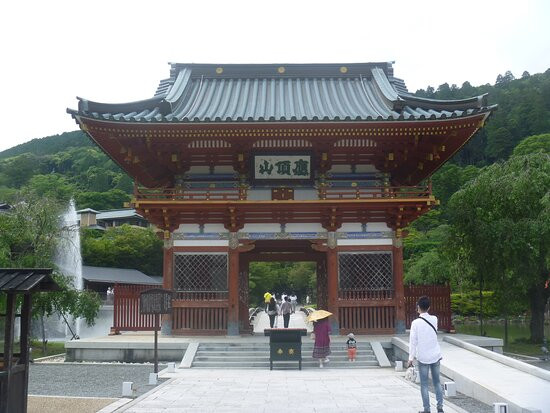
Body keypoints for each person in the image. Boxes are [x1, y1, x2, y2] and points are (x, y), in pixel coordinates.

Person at [408, 296, 444, 413]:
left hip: (423, 356)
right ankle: (440, 407)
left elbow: (413, 341)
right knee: (437, 382)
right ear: (429, 307)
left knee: (424, 384)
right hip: (435, 355)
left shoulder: (415, 323)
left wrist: (411, 358)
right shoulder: (434, 319)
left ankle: (427, 409)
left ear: (418, 307)